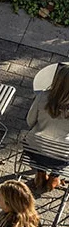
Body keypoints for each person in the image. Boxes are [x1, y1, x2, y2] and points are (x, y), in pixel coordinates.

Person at [26, 63, 69, 194]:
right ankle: (54, 177)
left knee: (38, 144)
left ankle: (40, 173)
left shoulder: (43, 96)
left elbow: (30, 121)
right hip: (61, 158)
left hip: (35, 150)